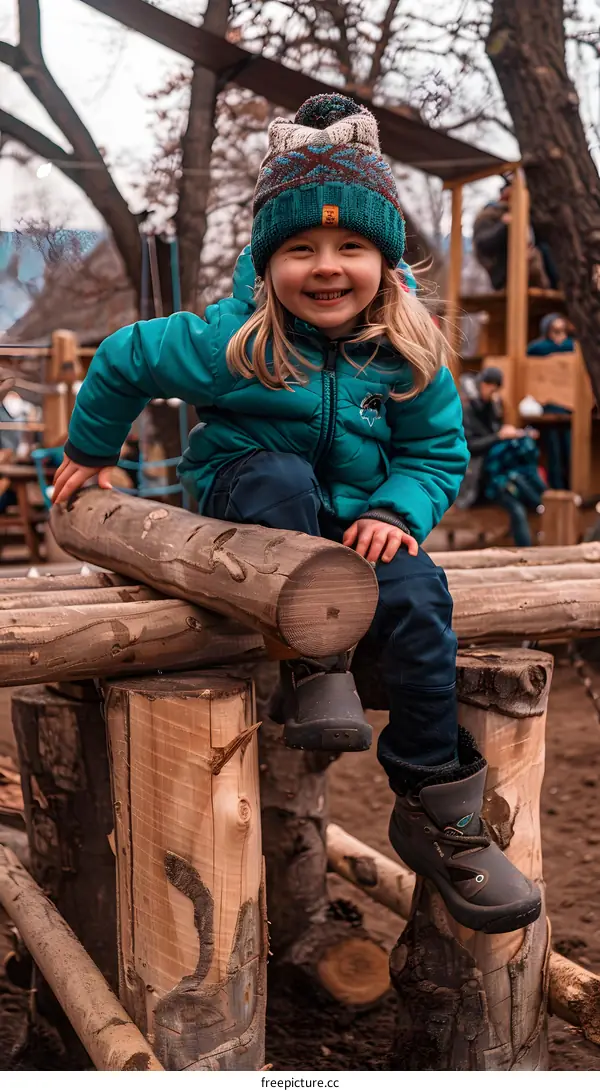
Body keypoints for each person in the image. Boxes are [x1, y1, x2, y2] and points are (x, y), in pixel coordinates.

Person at [52, 93, 541, 935]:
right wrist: (94, 450)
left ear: (385, 261)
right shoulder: (228, 338)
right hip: (251, 508)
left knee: (423, 597)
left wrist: (397, 508)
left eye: (351, 244)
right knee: (278, 473)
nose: (326, 265)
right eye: (300, 248)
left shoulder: (406, 354)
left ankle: (438, 810)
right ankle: (317, 667)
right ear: (267, 260)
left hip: (357, 525)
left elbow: (436, 455)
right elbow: (123, 359)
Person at [459, 366, 545, 547]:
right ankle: (526, 552)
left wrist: (517, 434)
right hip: (479, 477)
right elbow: (469, 446)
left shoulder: (494, 407)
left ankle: (540, 511)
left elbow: (497, 436)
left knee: (522, 483)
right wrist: (499, 436)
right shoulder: (467, 410)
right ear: (482, 384)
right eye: (490, 385)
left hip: (498, 471)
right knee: (516, 505)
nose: (493, 390)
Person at [473, 177, 558, 292]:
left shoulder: (527, 214)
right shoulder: (490, 215)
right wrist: (505, 226)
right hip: (504, 272)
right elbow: (483, 244)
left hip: (534, 272)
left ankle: (558, 284)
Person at [527, 314, 575, 490]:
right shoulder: (539, 348)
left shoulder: (571, 347)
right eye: (555, 331)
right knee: (554, 453)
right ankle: (557, 489)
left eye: (563, 331)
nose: (560, 335)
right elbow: (535, 349)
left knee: (570, 452)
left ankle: (569, 488)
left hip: (570, 410)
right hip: (549, 410)